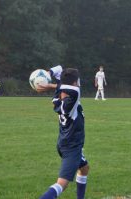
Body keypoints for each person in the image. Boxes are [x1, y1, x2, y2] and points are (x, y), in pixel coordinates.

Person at [39, 68, 89, 199]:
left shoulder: (57, 99)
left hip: (64, 143)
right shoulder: (74, 96)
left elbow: (60, 69)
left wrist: (49, 73)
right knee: (62, 184)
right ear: (73, 84)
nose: (79, 84)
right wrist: (50, 85)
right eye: (77, 81)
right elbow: (71, 88)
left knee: (84, 168)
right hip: (72, 147)